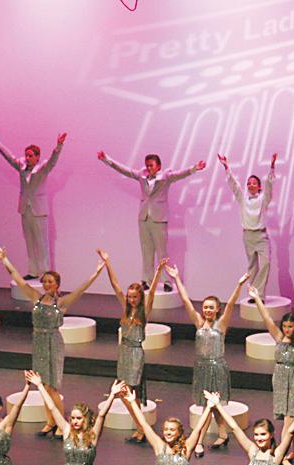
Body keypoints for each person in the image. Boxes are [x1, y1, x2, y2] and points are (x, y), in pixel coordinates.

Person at [0, 243, 104, 437]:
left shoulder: (60, 303)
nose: (46, 284)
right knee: (42, 386)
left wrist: (96, 273)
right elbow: (17, 278)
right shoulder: (36, 297)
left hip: (53, 343)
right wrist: (4, 259)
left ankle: (61, 424)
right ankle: (50, 422)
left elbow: (81, 290)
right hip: (38, 343)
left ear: (57, 284)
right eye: (44, 281)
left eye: (50, 281)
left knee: (52, 387)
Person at [165, 263, 249, 455]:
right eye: (205, 307)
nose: (208, 310)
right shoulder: (199, 322)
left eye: (211, 308)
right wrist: (176, 278)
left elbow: (231, 304)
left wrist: (239, 285)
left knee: (207, 407)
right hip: (201, 368)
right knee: (213, 405)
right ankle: (223, 434)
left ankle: (199, 441)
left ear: (217, 309)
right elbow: (186, 300)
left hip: (217, 368)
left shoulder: (222, 324)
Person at [97, 149, 205, 290]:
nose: (148, 168)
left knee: (162, 253)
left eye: (151, 165)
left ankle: (166, 282)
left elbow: (180, 174)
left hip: (159, 219)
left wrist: (195, 168)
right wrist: (106, 159)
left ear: (158, 166)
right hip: (144, 219)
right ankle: (146, 281)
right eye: (147, 165)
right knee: (146, 251)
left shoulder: (166, 177)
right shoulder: (142, 175)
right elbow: (125, 170)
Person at [97, 249, 166, 443]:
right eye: (129, 296)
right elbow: (115, 285)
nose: (131, 299)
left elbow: (152, 292)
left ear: (140, 297)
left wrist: (158, 272)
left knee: (130, 393)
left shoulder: (144, 312)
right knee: (124, 393)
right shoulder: (126, 310)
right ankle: (140, 427)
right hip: (123, 352)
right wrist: (107, 262)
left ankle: (142, 429)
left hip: (135, 353)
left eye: (134, 296)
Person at [248, 285, 294, 465]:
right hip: (279, 378)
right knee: (288, 417)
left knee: (290, 418)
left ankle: (283, 455)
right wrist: (257, 298)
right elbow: (267, 318)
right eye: (285, 326)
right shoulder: (278, 337)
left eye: (290, 326)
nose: (287, 329)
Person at [0, 128, 66, 279]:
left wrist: (59, 146)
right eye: (26, 155)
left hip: (38, 211)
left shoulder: (43, 168)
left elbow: (53, 160)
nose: (27, 158)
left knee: (42, 244)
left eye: (30, 156)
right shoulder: (22, 167)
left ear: (37, 157)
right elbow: (9, 157)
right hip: (25, 209)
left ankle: (45, 274)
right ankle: (33, 271)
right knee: (30, 242)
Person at [216, 152, 276, 300]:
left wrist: (272, 166)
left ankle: (259, 294)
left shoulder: (263, 199)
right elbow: (234, 185)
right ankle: (253, 294)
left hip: (261, 235)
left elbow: (269, 186)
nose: (251, 185)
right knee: (252, 266)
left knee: (266, 263)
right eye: (249, 183)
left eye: (254, 183)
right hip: (248, 235)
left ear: (259, 186)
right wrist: (226, 167)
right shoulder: (243, 198)